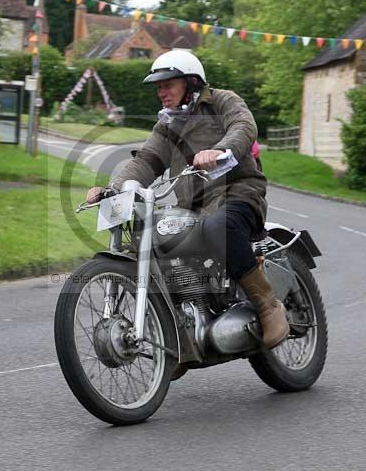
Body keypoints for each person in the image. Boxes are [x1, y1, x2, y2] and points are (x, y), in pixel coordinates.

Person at [85, 50, 288, 349]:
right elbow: (145, 161)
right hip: (192, 207)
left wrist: (219, 150)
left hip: (239, 193)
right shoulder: (168, 125)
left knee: (219, 227)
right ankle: (179, 337)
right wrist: (113, 188)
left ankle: (268, 306)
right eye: (158, 86)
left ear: (191, 82)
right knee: (153, 240)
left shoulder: (221, 101)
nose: (161, 92)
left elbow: (243, 126)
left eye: (168, 84)